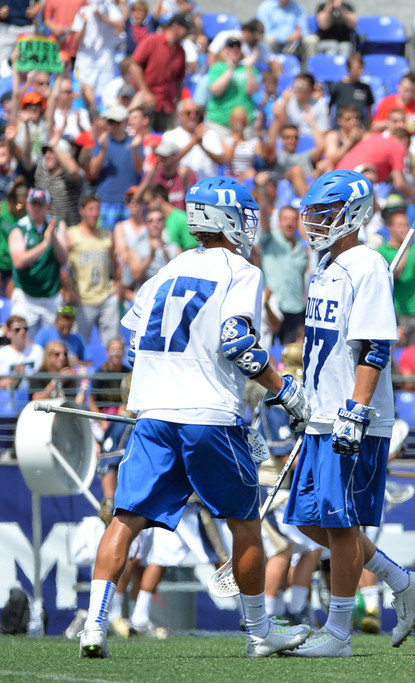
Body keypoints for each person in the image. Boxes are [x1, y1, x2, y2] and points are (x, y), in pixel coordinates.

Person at [77, 176, 312, 660]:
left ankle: (95, 626)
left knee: (125, 519)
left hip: (155, 414)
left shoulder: (165, 271)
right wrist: (286, 390)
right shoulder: (240, 271)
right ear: (227, 220)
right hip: (209, 414)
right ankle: (258, 632)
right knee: (244, 524)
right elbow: (238, 343)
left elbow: (134, 343)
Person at [281, 170, 415, 657]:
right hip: (321, 413)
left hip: (352, 415)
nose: (317, 222)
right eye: (315, 212)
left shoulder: (367, 264)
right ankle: (400, 580)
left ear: (352, 214)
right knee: (309, 520)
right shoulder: (323, 266)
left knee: (341, 523)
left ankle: (339, 633)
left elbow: (374, 349)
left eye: (325, 212)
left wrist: (355, 410)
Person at [9, 188, 69, 339]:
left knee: (54, 343)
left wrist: (52, 237)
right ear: (28, 204)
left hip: (51, 295)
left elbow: (64, 259)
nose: (36, 208)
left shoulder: (57, 225)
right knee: (20, 340)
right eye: (33, 204)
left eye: (40, 204)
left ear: (47, 206)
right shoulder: (19, 228)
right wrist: (45, 243)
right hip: (26, 295)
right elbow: (19, 262)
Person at [64, 194, 120, 345]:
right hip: (82, 298)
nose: (95, 213)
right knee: (79, 342)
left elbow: (116, 263)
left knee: (112, 341)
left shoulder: (106, 235)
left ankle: (112, 367)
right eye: (90, 209)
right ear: (81, 210)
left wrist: (117, 283)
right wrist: (68, 289)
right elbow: (61, 265)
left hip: (105, 296)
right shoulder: (71, 234)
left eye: (97, 209)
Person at [128, 13, 190, 132]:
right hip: (146, 104)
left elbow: (179, 79)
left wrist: (178, 101)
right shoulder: (152, 41)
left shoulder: (180, 51)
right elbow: (134, 65)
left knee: (167, 143)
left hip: (167, 106)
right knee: (143, 140)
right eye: (185, 29)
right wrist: (145, 91)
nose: (187, 33)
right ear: (175, 26)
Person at [256, 206, 309, 344]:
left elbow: (302, 279)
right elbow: (264, 224)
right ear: (279, 221)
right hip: (272, 305)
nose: (289, 223)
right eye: (285, 219)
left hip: (295, 308)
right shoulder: (271, 239)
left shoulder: (301, 248)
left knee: (290, 355)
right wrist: (262, 192)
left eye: (293, 219)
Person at [86, 104, 143, 230]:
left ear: (124, 122)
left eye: (117, 122)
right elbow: (93, 172)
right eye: (110, 122)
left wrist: (134, 149)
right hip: (106, 200)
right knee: (107, 242)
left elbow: (139, 170)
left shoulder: (135, 142)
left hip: (129, 203)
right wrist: (103, 149)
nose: (114, 125)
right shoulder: (102, 142)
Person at [376, 210, 415, 342]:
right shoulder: (381, 252)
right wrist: (407, 245)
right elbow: (395, 274)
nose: (403, 229)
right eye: (399, 225)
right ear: (390, 228)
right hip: (397, 312)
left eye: (406, 225)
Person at [205, 36, 260, 137]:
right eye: (231, 46)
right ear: (224, 50)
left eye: (238, 47)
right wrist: (230, 68)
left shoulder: (249, 68)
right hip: (220, 124)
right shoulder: (217, 68)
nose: (235, 49)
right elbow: (216, 91)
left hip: (244, 125)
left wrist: (248, 68)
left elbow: (252, 90)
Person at [0, 314, 43, 389]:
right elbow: (1, 384)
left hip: (33, 396)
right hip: (10, 398)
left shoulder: (37, 350)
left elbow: (44, 378)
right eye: (17, 329)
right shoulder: (2, 354)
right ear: (8, 333)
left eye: (25, 329)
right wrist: (15, 377)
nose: (22, 332)